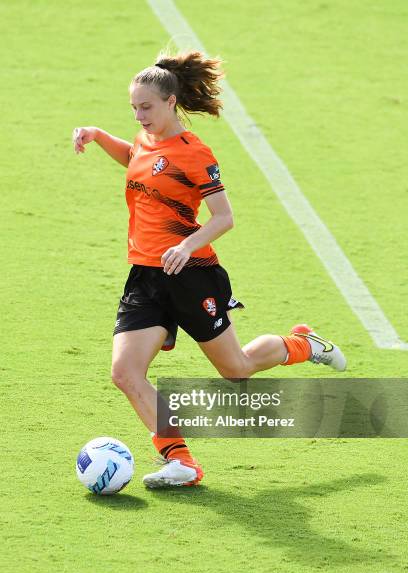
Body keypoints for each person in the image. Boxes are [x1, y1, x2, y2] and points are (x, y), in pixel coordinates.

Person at [72, 50, 346, 489]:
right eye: (133, 108)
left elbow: (223, 217)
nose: (139, 115)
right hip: (145, 276)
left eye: (146, 107)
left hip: (191, 273)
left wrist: (185, 244)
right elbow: (138, 162)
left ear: (170, 102)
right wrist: (98, 134)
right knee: (125, 373)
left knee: (236, 369)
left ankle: (301, 343)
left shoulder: (194, 152)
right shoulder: (146, 138)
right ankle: (180, 461)